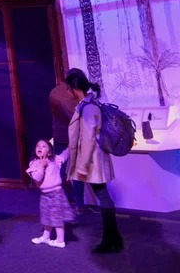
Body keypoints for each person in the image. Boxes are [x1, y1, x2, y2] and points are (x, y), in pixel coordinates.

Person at [65, 71, 123, 254]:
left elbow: (88, 139)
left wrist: (82, 167)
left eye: (68, 88)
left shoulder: (88, 108)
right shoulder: (87, 105)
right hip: (94, 160)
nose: (67, 92)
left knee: (103, 197)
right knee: (104, 197)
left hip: (92, 162)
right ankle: (114, 238)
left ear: (75, 88)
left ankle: (110, 240)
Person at [26, 139, 75, 248]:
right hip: (45, 195)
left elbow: (65, 154)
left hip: (57, 194)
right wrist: (41, 166)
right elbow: (37, 178)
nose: (40, 147)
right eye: (38, 146)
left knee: (57, 217)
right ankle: (46, 237)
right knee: (47, 217)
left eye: (44, 146)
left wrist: (71, 144)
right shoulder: (34, 163)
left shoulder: (54, 160)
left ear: (49, 152)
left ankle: (60, 240)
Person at [49, 71, 85, 206]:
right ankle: (79, 202)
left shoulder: (54, 92)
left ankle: (60, 200)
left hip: (60, 135)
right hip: (76, 137)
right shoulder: (78, 93)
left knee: (59, 169)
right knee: (77, 171)